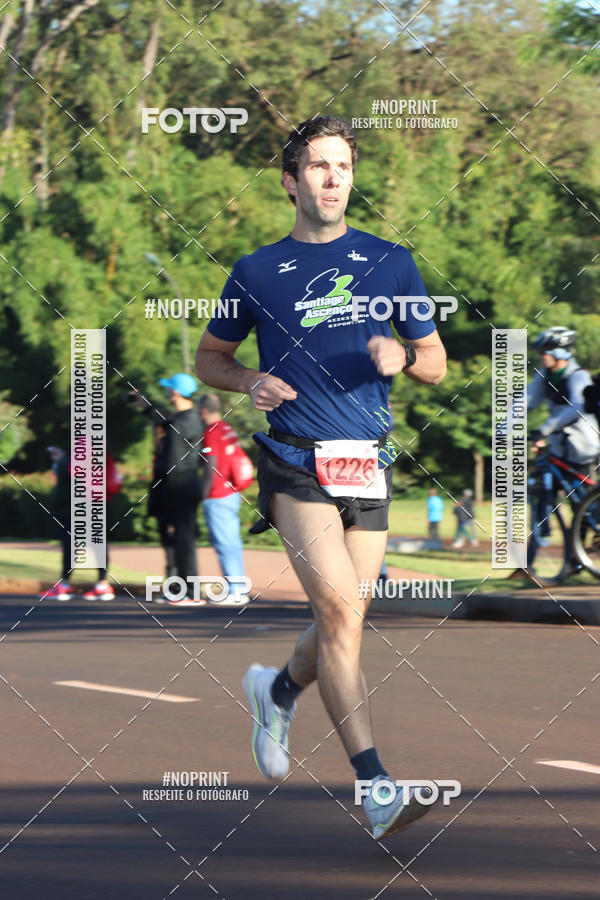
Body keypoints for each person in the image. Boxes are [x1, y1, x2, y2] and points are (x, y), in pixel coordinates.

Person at [195, 115, 447, 839]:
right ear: (290, 181)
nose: (333, 178)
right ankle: (376, 788)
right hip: (294, 460)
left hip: (367, 461)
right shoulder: (256, 270)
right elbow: (211, 357)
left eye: (343, 166)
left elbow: (436, 361)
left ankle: (275, 691)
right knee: (339, 612)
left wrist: (405, 358)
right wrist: (250, 380)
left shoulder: (392, 262)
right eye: (317, 166)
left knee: (347, 617)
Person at [133, 373, 205, 606]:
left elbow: (173, 464)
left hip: (179, 487)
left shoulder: (183, 423)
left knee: (183, 539)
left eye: (169, 389)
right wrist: (146, 405)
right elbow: (164, 419)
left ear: (175, 392)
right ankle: (177, 589)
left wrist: (166, 496)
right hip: (182, 485)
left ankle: (190, 592)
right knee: (174, 540)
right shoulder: (186, 418)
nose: (167, 393)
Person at [39, 446, 115, 600]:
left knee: (71, 545)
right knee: (95, 543)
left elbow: (72, 478)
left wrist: (62, 461)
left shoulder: (75, 455)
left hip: (77, 508)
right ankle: (101, 584)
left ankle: (66, 585)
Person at [198, 393, 249, 606]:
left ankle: (236, 590)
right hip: (232, 490)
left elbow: (211, 464)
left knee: (224, 542)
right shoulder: (226, 427)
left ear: (203, 411)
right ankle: (238, 588)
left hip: (218, 493)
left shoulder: (211, 431)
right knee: (232, 542)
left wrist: (204, 492)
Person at [529, 327, 600, 468]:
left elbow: (577, 408)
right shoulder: (544, 375)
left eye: (544, 352)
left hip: (583, 446)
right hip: (558, 446)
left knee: (581, 480)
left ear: (559, 352)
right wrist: (502, 431)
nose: (539, 356)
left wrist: (545, 429)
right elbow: (525, 402)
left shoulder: (578, 375)